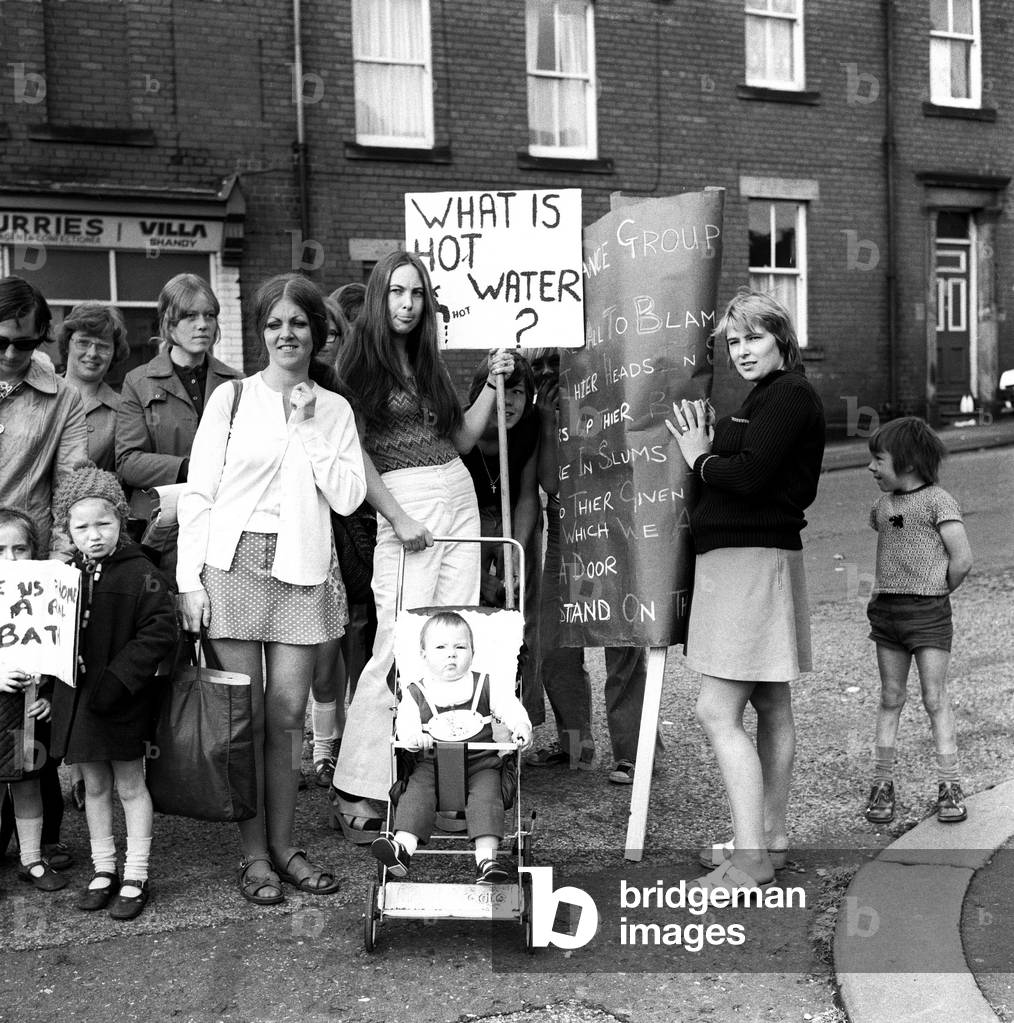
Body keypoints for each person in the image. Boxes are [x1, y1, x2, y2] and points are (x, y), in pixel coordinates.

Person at [177, 273, 367, 904]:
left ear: (318, 331)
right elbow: (200, 494)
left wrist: (310, 423)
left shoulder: (334, 409)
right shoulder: (231, 399)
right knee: (246, 720)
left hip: (303, 572)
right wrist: (189, 581)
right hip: (231, 569)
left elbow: (346, 496)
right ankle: (253, 854)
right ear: (260, 333)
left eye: (299, 323)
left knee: (288, 720)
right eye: (274, 324)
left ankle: (286, 846)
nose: (286, 334)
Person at [329, 250, 515, 842]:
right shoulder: (355, 364)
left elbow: (461, 439)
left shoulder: (429, 361)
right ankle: (360, 787)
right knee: (393, 646)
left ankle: (438, 790)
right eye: (396, 293)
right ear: (379, 297)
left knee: (452, 643)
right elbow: (353, 453)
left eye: (417, 294)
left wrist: (491, 381)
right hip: (407, 508)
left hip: (458, 500)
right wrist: (397, 515)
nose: (407, 305)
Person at [665, 288, 825, 892]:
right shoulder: (768, 397)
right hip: (756, 560)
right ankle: (771, 840)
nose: (742, 351)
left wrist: (700, 458)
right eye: (733, 341)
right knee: (770, 704)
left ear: (782, 338)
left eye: (754, 337)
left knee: (715, 709)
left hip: (750, 562)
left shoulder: (787, 394)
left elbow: (750, 475)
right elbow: (744, 445)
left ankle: (753, 857)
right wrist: (714, 436)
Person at [48, 467, 177, 919]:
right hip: (78, 699)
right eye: (81, 527)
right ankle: (103, 869)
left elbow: (160, 631)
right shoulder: (62, 579)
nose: (94, 535)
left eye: (103, 523)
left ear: (121, 520)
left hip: (122, 699)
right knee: (94, 785)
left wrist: (120, 679)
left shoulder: (142, 572)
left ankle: (136, 873)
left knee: (129, 784)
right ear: (67, 529)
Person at [522, 347, 654, 785]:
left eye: (551, 364)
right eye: (535, 367)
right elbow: (550, 482)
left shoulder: (605, 398)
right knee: (554, 644)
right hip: (566, 527)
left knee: (623, 639)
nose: (545, 374)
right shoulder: (543, 413)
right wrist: (546, 419)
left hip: (615, 522)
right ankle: (576, 746)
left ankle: (632, 753)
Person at [862, 416, 973, 825]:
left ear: (907, 462)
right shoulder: (882, 506)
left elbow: (962, 559)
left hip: (927, 612)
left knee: (934, 698)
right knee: (891, 697)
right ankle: (882, 784)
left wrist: (938, 590)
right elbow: (887, 530)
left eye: (878, 459)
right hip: (887, 611)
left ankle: (949, 786)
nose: (871, 468)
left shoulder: (939, 501)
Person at [370, 611, 531, 882]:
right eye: (441, 647)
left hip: (481, 764)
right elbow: (406, 724)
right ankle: (401, 849)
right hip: (430, 763)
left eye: (460, 647)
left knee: (486, 799)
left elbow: (510, 707)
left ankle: (487, 861)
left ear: (472, 651)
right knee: (416, 795)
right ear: (423, 655)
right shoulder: (416, 692)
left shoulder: (485, 685)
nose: (451, 655)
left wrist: (521, 726)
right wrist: (412, 738)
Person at [116, 273, 241, 574]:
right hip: (160, 529)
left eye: (209, 315)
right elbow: (128, 461)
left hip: (224, 524)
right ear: (168, 323)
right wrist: (191, 468)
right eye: (189, 316)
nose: (203, 324)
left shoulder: (239, 383)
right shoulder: (138, 381)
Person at [460, 354, 542, 719]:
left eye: (519, 391)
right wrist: (479, 576)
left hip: (514, 516)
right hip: (468, 517)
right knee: (470, 606)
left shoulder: (530, 426)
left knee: (523, 613)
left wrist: (515, 556)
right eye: (501, 389)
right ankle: (469, 712)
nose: (508, 401)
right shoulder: (464, 426)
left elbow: (527, 496)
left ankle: (521, 715)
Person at [0, 508, 67, 892]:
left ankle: (31, 860)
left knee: (29, 786)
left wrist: (52, 696)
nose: (10, 559)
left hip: (30, 709)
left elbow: (59, 654)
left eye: (20, 549)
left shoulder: (47, 597)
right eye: (1, 549)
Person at [0, 275, 88, 559]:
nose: (11, 354)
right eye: (0, 342)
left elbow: (69, 488)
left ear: (41, 335)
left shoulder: (65, 398)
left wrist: (59, 562)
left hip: (28, 561)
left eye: (24, 344)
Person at [58, 302, 131, 472]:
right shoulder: (39, 393)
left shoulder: (124, 410)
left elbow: (125, 473)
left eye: (103, 346)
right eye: (83, 342)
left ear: (114, 352)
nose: (92, 353)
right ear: (67, 344)